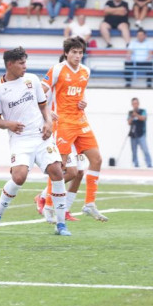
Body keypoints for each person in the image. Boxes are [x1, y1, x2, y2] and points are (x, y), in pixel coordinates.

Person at [0, 47, 70, 236]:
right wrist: (9, 124)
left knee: (57, 171)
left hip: (41, 137)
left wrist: (48, 123)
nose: (25, 66)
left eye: (25, 62)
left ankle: (61, 224)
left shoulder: (32, 80)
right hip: (20, 140)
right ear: (10, 64)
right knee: (19, 177)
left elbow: (44, 107)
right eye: (21, 63)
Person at [42, 37, 108, 222]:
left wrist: (83, 101)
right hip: (63, 123)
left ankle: (89, 204)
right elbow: (40, 91)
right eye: (74, 52)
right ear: (66, 53)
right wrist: (47, 111)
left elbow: (79, 92)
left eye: (80, 53)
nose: (78, 56)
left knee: (97, 159)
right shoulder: (57, 70)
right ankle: (48, 205)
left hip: (81, 122)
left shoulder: (86, 71)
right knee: (61, 168)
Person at [127, 98, 152, 168]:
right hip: (133, 135)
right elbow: (129, 122)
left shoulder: (143, 111)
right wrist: (132, 116)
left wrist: (136, 115)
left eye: (136, 103)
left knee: (145, 150)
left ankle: (149, 164)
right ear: (132, 104)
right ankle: (135, 164)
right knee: (134, 151)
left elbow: (143, 118)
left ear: (138, 104)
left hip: (141, 134)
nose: (135, 105)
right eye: (134, 103)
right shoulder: (130, 113)